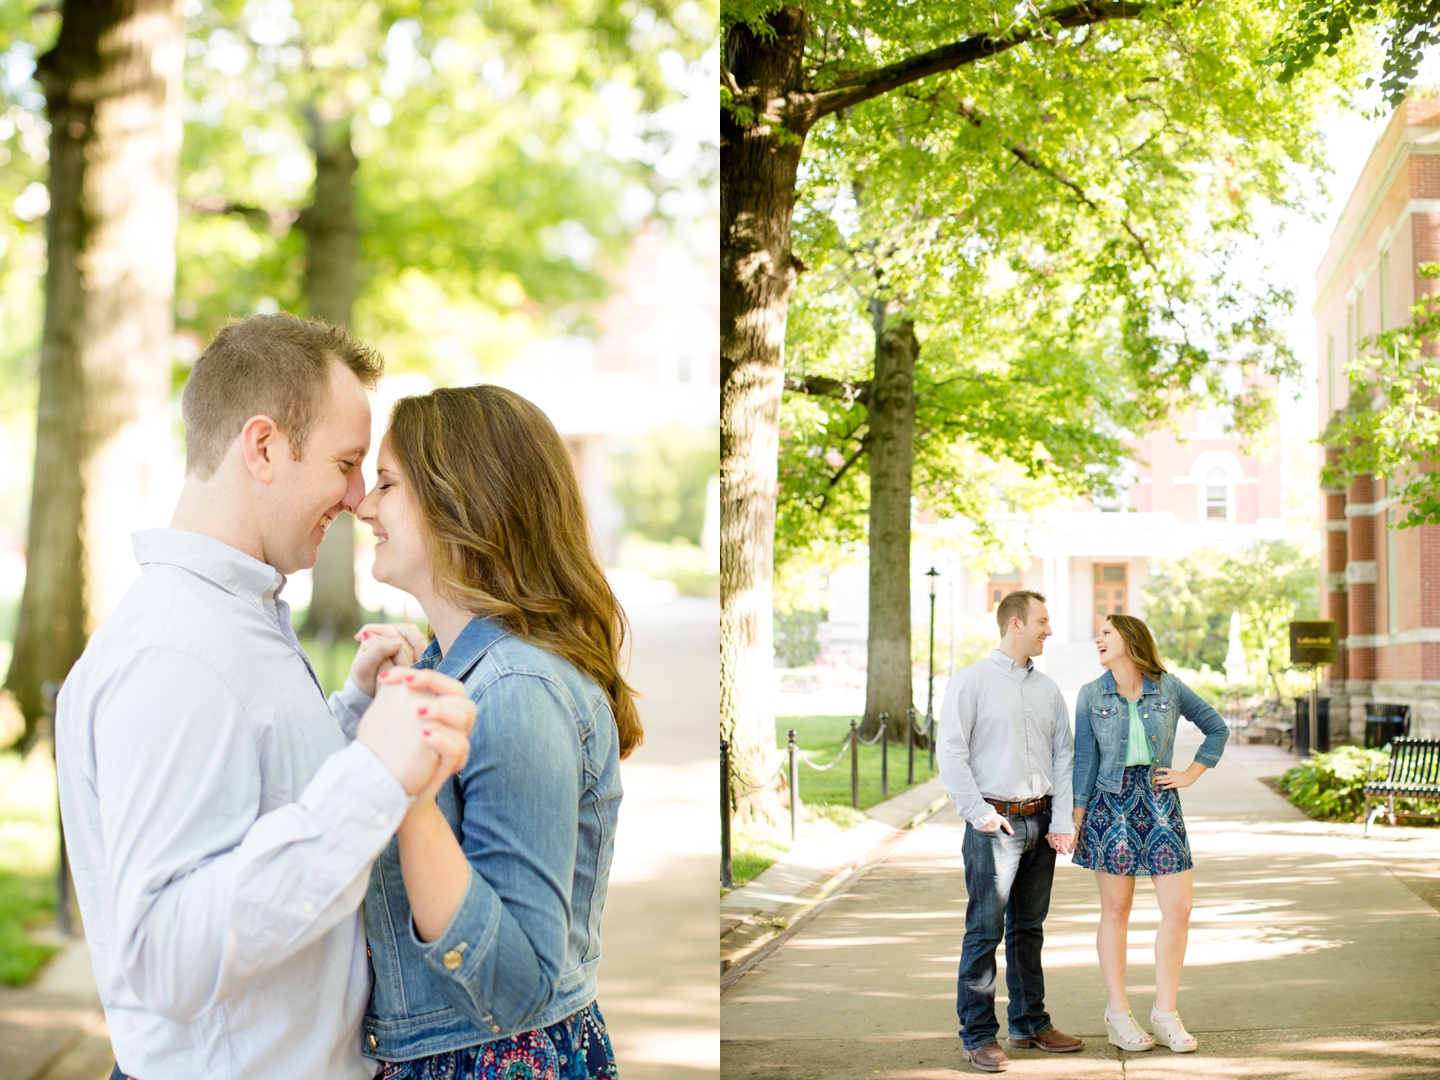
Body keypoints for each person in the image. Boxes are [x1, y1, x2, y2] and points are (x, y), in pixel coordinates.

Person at [55, 313, 478, 1080]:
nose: (357, 498)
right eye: (347, 462)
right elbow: (165, 957)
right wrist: (375, 776)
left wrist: (352, 716)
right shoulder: (175, 654)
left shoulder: (232, 620)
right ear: (262, 447)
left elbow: (253, 807)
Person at [334, 384, 642, 1079]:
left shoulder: (516, 691)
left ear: (459, 499)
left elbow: (516, 985)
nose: (363, 505)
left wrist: (411, 802)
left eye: (386, 483)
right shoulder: (460, 672)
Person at [937, 589, 1083, 1074]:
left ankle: (1029, 1024)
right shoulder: (971, 682)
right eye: (1042, 620)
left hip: (1040, 821)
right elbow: (952, 752)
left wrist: (1060, 820)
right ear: (1015, 624)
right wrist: (978, 813)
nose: (1049, 630)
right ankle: (978, 1036)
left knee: (1029, 929)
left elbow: (1064, 755)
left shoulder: (1047, 691)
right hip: (993, 824)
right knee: (984, 931)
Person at [1071, 614, 1229, 1054]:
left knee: (1179, 908)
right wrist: (1076, 820)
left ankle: (1165, 1012)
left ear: (1129, 638)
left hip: (1161, 801)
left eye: (1105, 632)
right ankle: (1118, 1014)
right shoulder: (1090, 695)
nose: (1097, 639)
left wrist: (1191, 774)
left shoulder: (1169, 687)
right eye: (1097, 634)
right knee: (1116, 911)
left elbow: (1216, 726)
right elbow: (1084, 761)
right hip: (1110, 803)